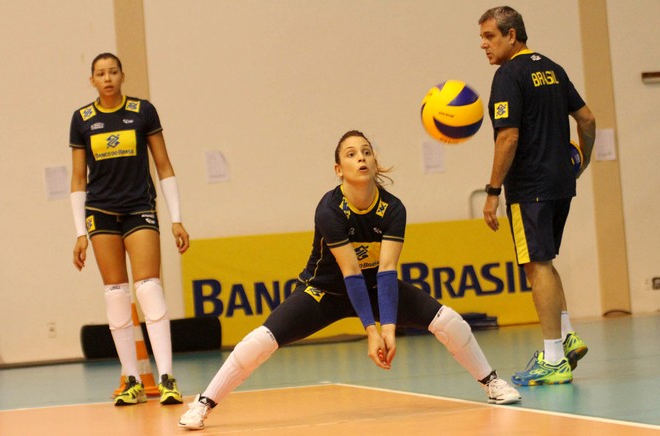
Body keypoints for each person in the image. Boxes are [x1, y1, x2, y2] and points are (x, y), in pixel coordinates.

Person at [178, 130, 520, 430]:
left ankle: (491, 383)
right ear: (338, 169)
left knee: (449, 322)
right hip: (324, 292)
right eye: (352, 154)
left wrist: (388, 328)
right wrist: (372, 333)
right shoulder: (330, 209)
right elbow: (351, 272)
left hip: (376, 288)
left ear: (375, 163)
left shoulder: (393, 209)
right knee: (260, 341)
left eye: (367, 152)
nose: (362, 158)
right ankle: (203, 404)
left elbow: (386, 271)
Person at [478, 6, 597, 386]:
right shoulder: (553, 68)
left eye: (489, 36)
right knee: (541, 261)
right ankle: (565, 336)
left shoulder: (508, 75)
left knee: (537, 265)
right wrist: (582, 158)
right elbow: (588, 120)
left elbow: (507, 137)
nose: (484, 45)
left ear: (512, 35)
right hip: (562, 182)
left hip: (530, 187)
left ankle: (553, 359)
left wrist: (493, 191)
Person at [69, 52, 190, 406]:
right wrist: (80, 232)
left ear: (123, 75)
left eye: (112, 72)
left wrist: (176, 218)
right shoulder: (82, 119)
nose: (107, 78)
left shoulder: (143, 111)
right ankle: (132, 379)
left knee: (149, 287)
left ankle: (167, 377)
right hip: (100, 213)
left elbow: (164, 165)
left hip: (139, 208)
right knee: (116, 294)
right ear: (92, 80)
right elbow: (78, 179)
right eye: (100, 73)